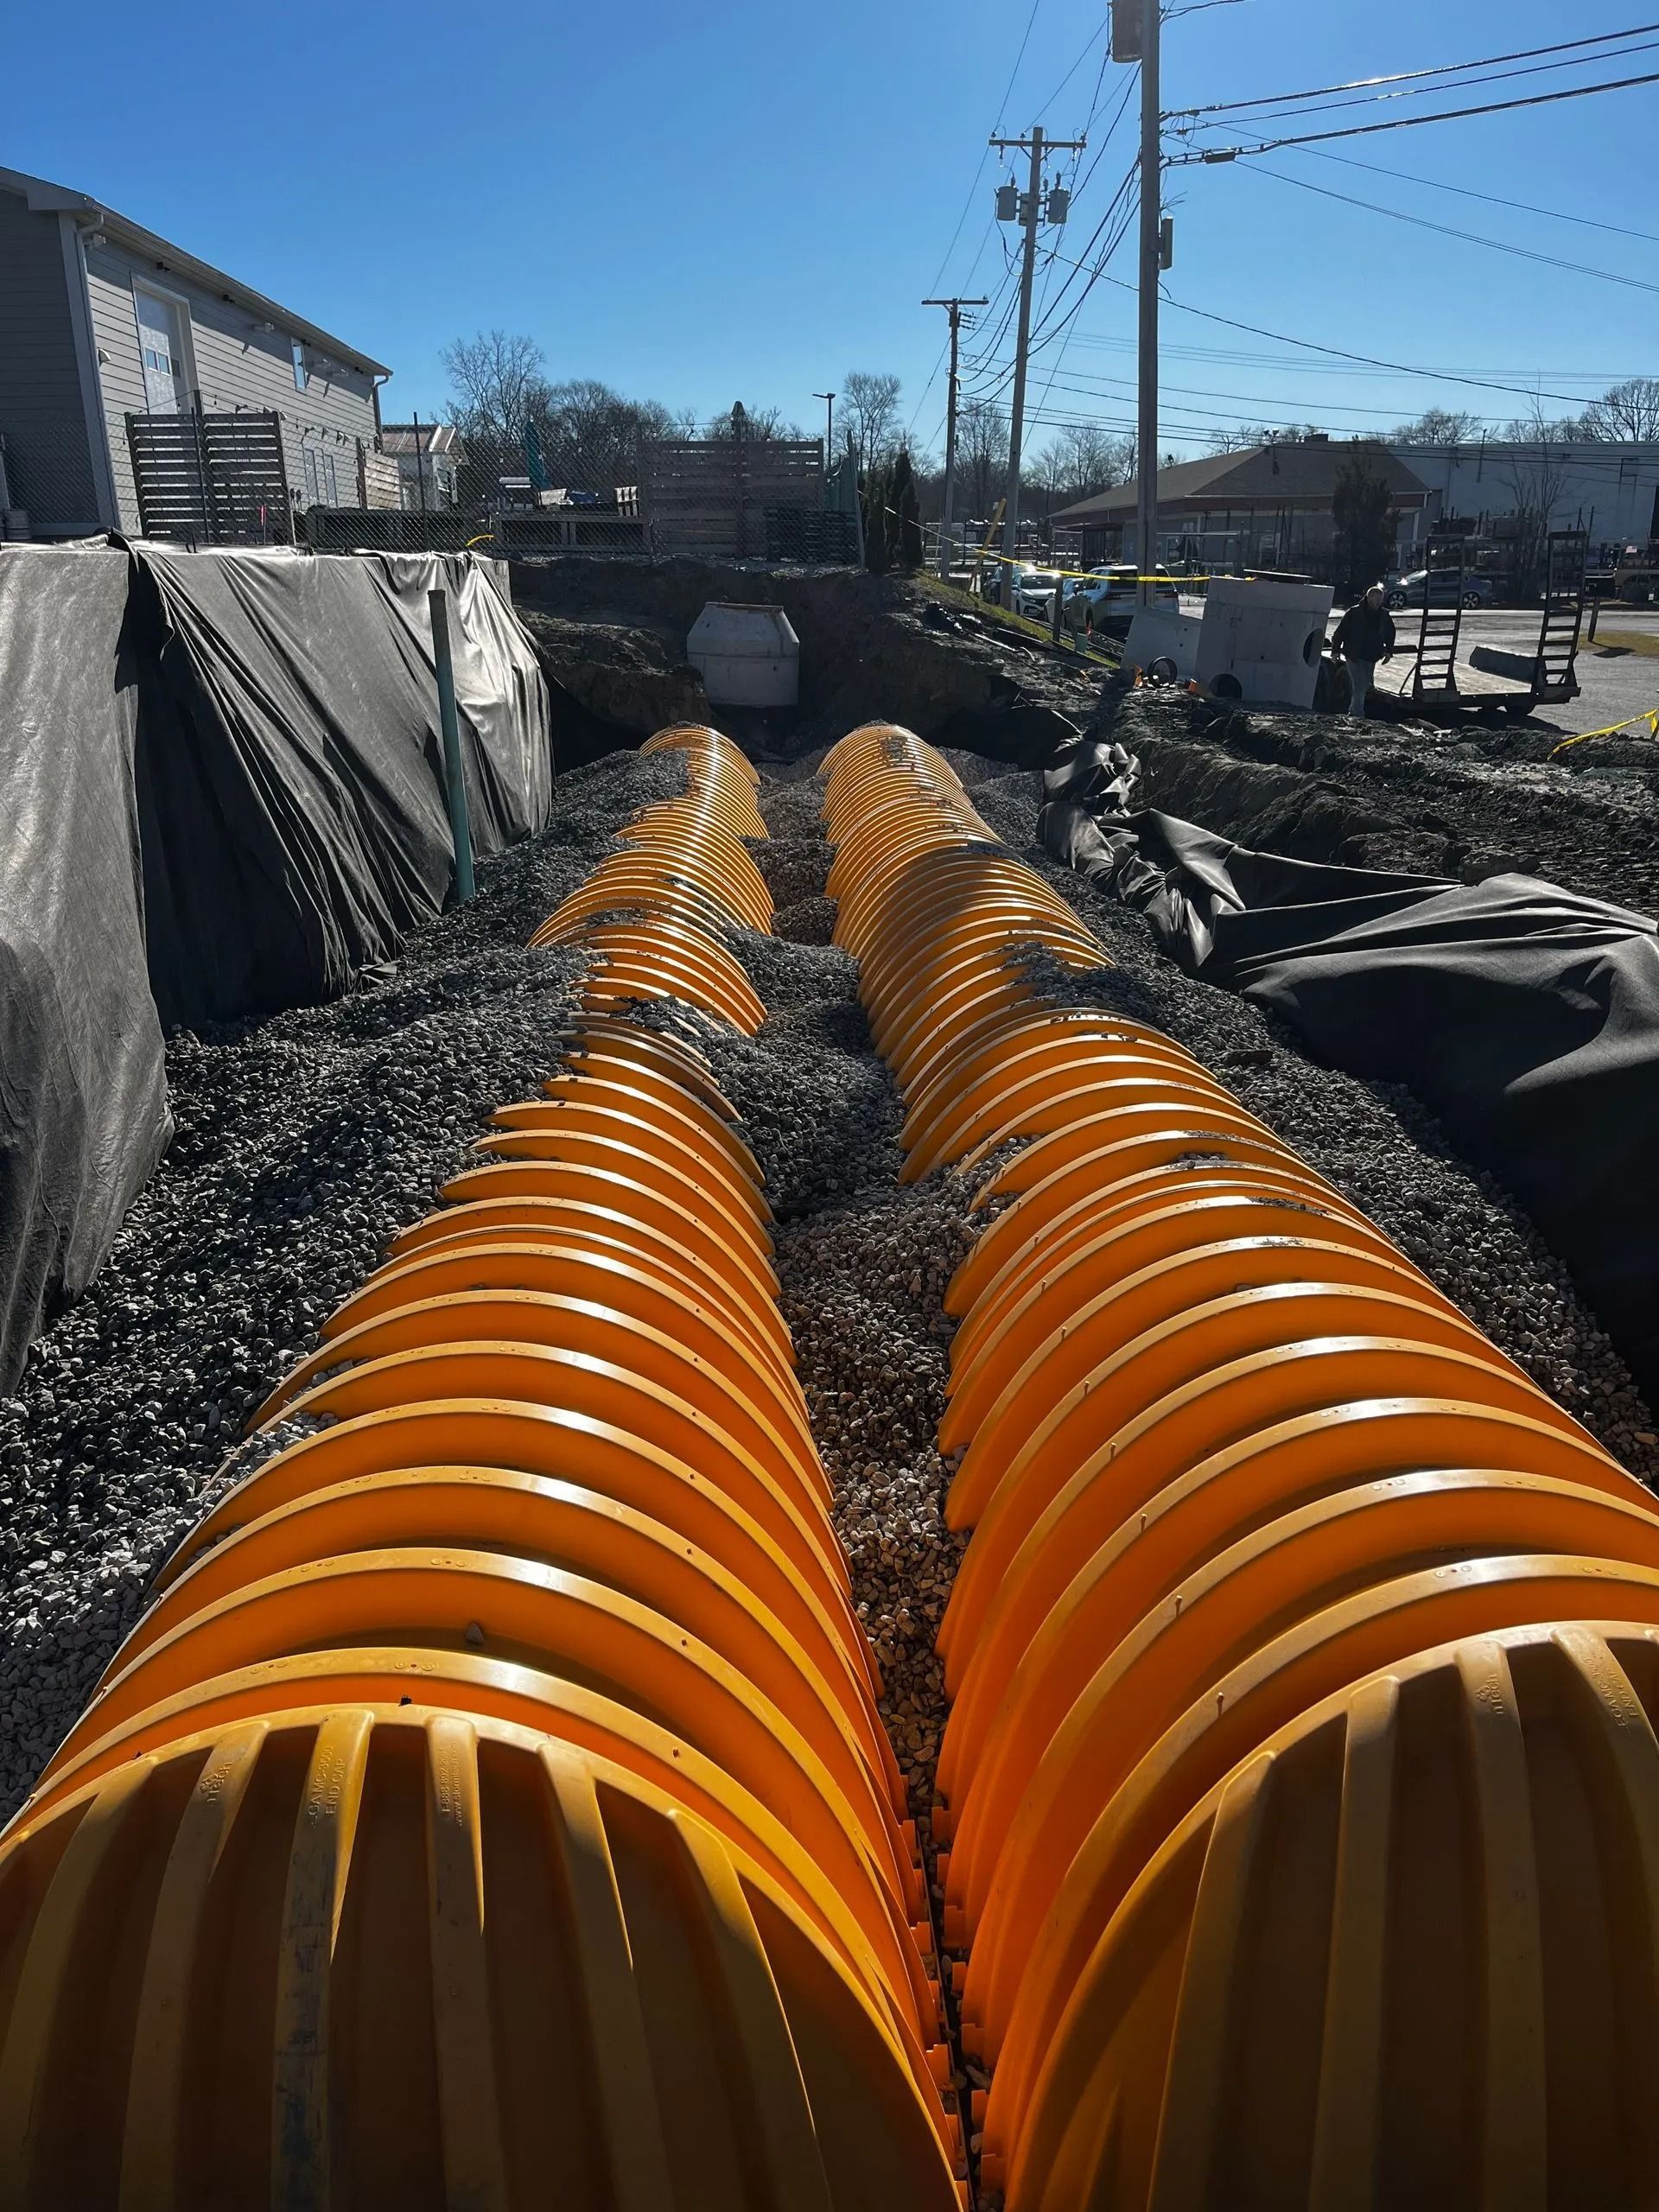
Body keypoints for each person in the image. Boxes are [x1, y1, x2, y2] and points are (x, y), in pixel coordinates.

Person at [1330, 584, 1395, 717]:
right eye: (1376, 600)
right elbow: (1340, 632)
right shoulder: (1354, 613)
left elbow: (1390, 633)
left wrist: (1389, 651)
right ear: (1369, 599)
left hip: (1371, 656)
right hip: (1354, 655)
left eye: (1380, 600)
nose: (1378, 603)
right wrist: (1335, 651)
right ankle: (1356, 714)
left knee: (1366, 686)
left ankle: (1355, 710)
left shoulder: (1384, 615)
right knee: (1359, 685)